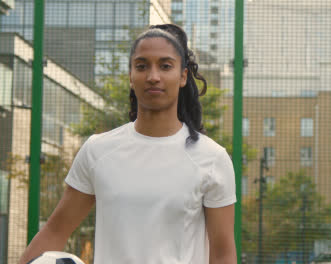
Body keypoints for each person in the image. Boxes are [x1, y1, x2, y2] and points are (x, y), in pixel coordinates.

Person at [19, 24, 237, 264]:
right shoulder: (97, 151)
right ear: (131, 76)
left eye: (165, 66)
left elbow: (223, 254)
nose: (153, 76)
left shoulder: (212, 159)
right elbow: (55, 231)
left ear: (183, 76)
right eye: (142, 66)